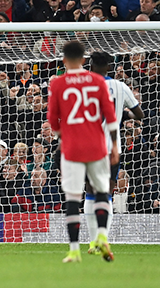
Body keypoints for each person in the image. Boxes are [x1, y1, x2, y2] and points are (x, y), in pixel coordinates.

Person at [47, 41, 118, 263]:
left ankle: (74, 249)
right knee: (101, 192)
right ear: (84, 60)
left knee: (73, 197)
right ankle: (102, 238)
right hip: (97, 146)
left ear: (64, 60)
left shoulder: (58, 84)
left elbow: (52, 120)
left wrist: (62, 135)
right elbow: (111, 117)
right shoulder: (98, 81)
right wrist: (114, 146)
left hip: (72, 147)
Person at [85, 51, 144, 255]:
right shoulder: (120, 86)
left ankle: (93, 242)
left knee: (90, 193)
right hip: (112, 148)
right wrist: (122, 113)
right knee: (107, 193)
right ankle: (104, 239)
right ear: (110, 67)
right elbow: (140, 114)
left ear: (90, 65)